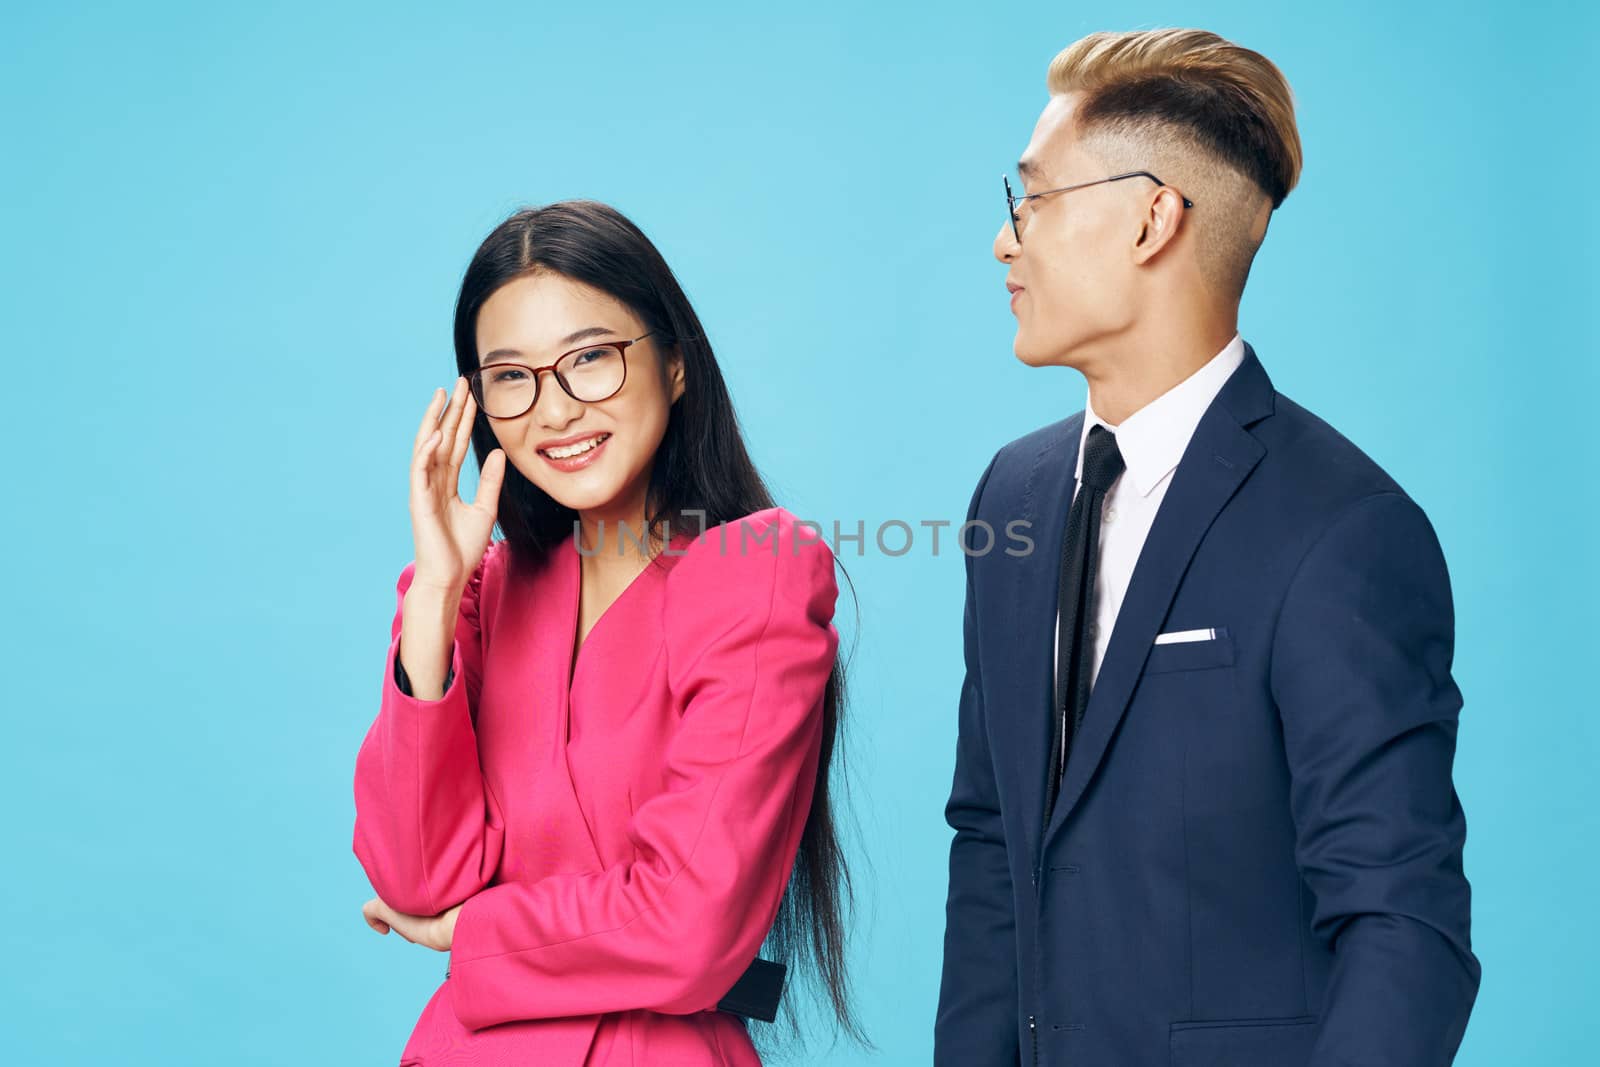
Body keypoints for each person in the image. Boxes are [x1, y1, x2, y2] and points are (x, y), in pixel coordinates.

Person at [934, 28, 1480, 1066]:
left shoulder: (1343, 528)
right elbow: (992, 847)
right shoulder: (1011, 497)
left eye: (1034, 200)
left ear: (1150, 218)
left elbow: (1401, 920)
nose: (1006, 241)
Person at [351, 200, 863, 1065]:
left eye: (590, 359)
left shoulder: (755, 568)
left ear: (673, 365)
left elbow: (688, 927)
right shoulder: (484, 592)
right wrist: (434, 595)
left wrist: (471, 932)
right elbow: (413, 876)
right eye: (512, 376)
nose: (553, 410)